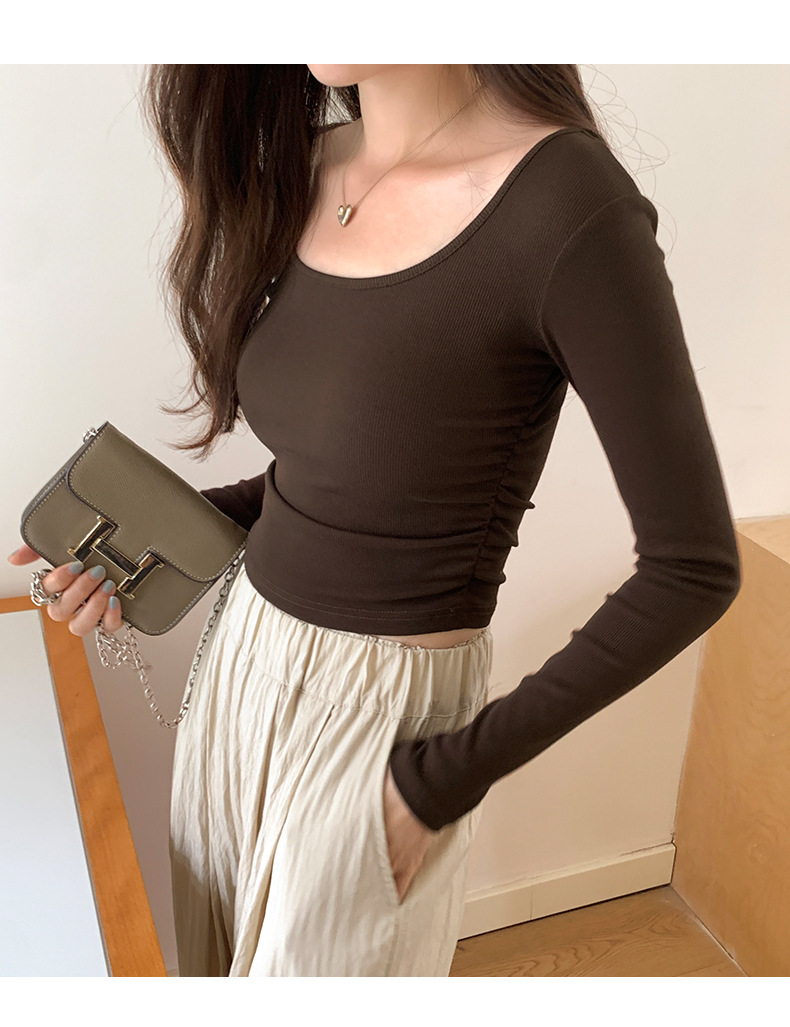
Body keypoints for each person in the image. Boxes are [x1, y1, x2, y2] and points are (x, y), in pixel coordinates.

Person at [8, 64, 741, 976]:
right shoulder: (314, 162)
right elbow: (336, 474)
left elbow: (693, 569)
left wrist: (430, 789)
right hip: (240, 671)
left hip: (384, 723)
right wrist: (149, 547)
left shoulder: (568, 207)